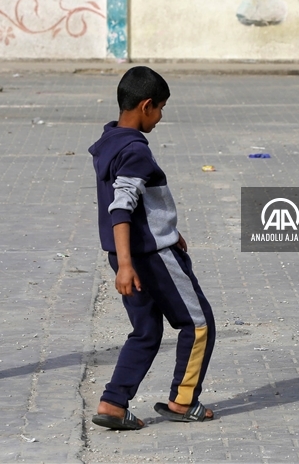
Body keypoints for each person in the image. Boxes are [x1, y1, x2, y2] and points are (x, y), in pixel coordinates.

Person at [88, 66, 216, 430]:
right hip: (150, 257)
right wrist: (130, 263)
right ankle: (183, 400)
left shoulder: (110, 141)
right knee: (199, 324)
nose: (160, 117)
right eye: (160, 108)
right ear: (146, 106)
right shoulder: (135, 152)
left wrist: (167, 232)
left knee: (146, 331)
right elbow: (122, 206)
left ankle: (113, 403)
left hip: (128, 252)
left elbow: (137, 205)